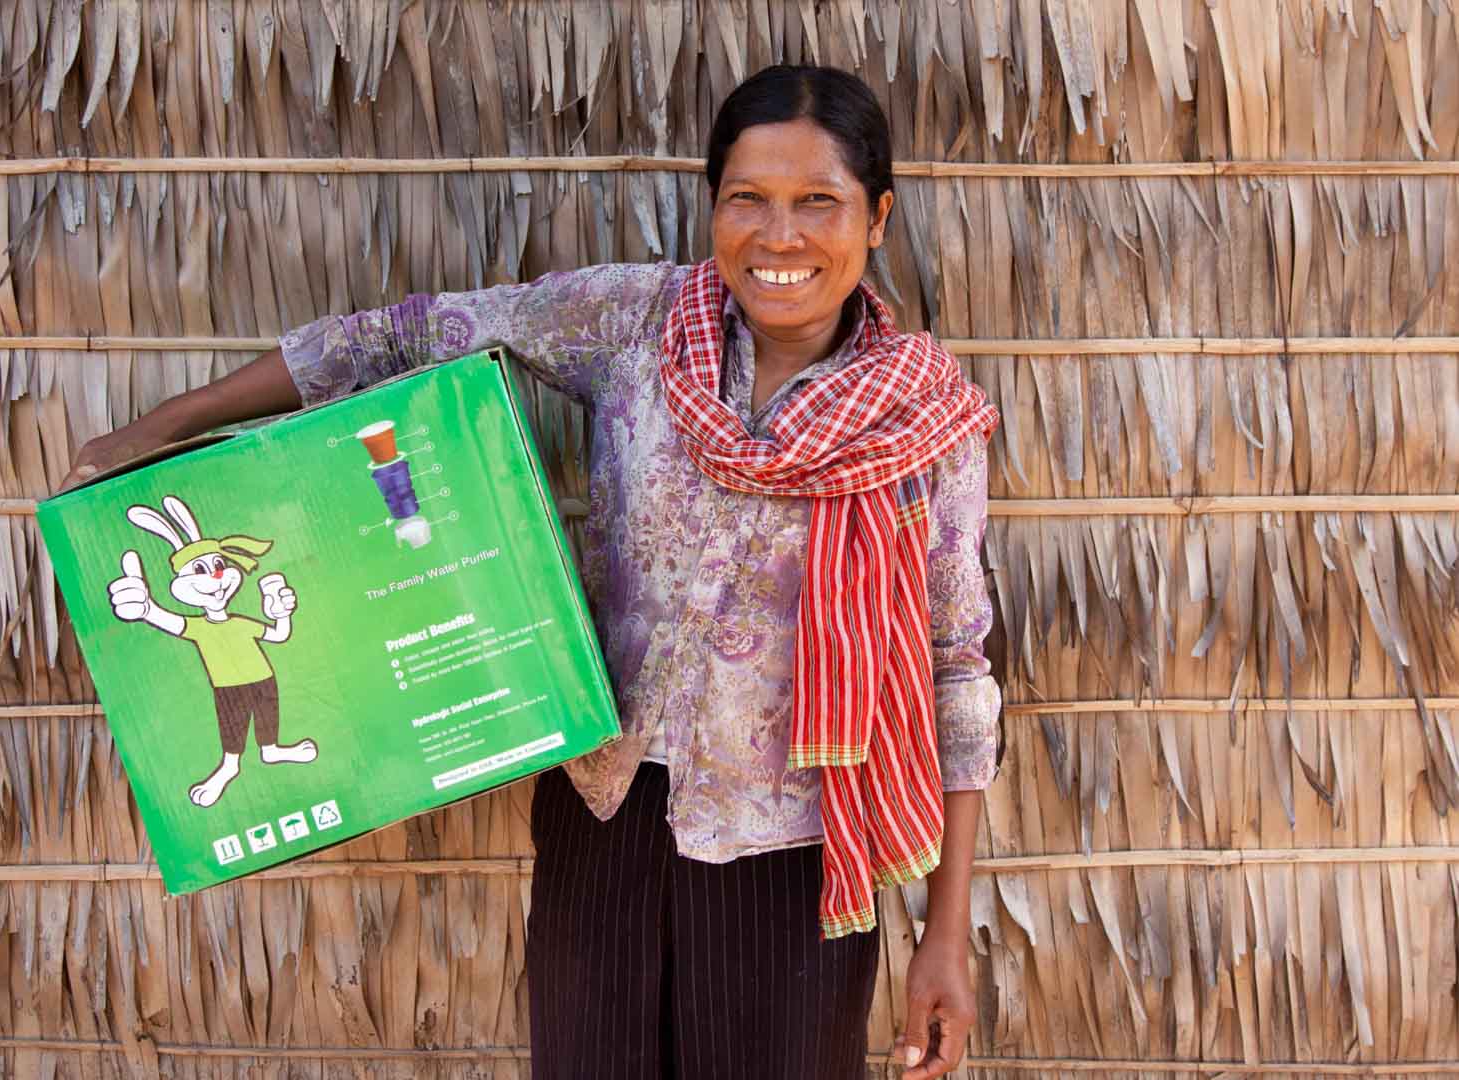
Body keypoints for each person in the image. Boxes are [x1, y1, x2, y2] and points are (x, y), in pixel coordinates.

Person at [65, 64, 1001, 1080]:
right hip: (603, 812)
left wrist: (943, 936)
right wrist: (166, 426)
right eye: (748, 199)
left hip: (800, 852)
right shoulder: (639, 322)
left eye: (819, 201)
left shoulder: (924, 421)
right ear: (714, 206)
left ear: (877, 218)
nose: (780, 237)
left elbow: (954, 670)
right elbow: (404, 336)